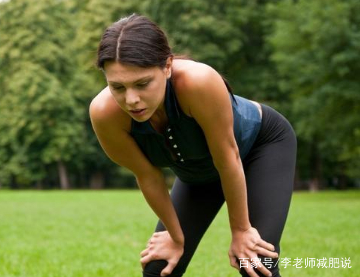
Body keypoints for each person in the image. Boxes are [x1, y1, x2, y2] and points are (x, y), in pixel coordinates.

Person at [89, 14, 297, 277]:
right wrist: (175, 238)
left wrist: (241, 230)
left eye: (142, 84)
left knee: (254, 262)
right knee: (159, 268)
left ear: (167, 67)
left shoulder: (198, 82)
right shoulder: (105, 114)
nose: (131, 100)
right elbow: (149, 176)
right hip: (198, 172)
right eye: (117, 86)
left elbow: (228, 158)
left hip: (260, 147)